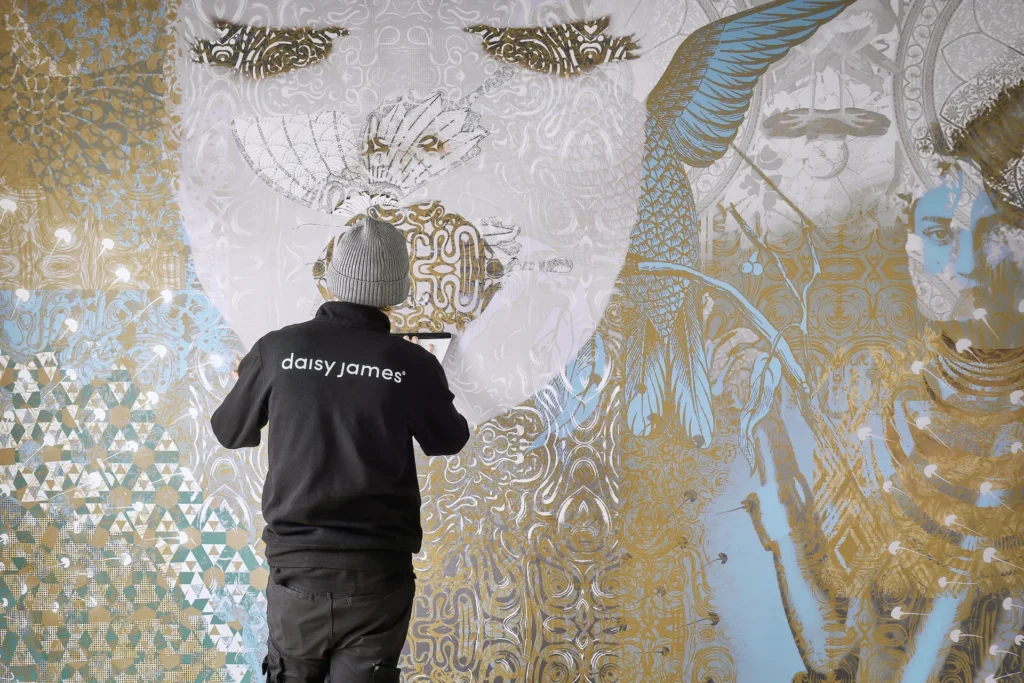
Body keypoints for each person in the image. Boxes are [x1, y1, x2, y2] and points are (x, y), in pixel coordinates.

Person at [731, 77, 1024, 681]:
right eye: (925, 226)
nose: (923, 252)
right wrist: (772, 450)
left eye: (953, 233)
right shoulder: (877, 399)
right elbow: (840, 653)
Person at [210, 210, 471, 683]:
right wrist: (423, 377)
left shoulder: (276, 350)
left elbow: (229, 431)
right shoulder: (411, 363)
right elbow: (449, 439)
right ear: (396, 289)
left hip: (297, 573)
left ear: (334, 280)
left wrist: (248, 379)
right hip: (378, 578)